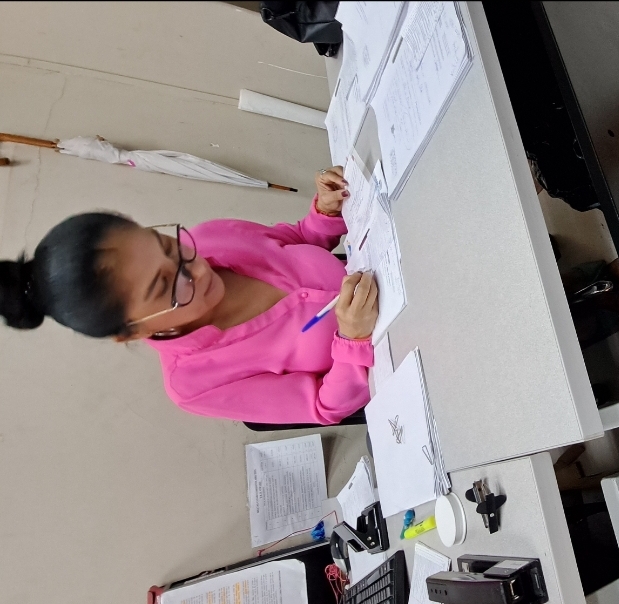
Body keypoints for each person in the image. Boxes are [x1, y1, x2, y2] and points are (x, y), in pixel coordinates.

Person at [0, 167, 378, 425]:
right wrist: (353, 340)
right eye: (167, 285)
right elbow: (324, 407)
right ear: (132, 330)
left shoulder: (210, 237)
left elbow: (296, 239)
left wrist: (324, 212)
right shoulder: (195, 384)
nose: (199, 269)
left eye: (168, 246)